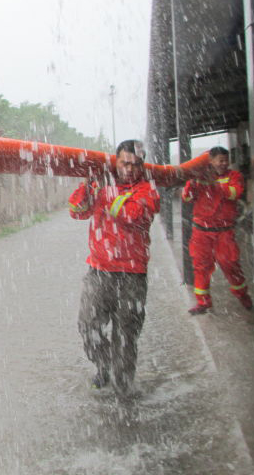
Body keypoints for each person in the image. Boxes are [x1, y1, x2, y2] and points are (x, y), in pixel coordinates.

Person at [68, 140, 160, 396]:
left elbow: (132, 216)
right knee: (88, 326)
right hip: (99, 271)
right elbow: (76, 211)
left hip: (132, 276)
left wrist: (106, 192)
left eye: (135, 164)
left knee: (126, 334)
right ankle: (104, 365)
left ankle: (123, 384)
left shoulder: (147, 190)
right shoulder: (100, 184)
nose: (129, 169)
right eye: (124, 163)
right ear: (115, 161)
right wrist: (88, 187)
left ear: (142, 165)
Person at [181, 146, 252, 315]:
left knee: (230, 264)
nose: (224, 163)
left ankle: (243, 296)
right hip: (201, 232)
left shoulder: (234, 176)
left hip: (224, 231)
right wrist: (193, 182)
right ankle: (203, 303)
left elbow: (235, 193)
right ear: (210, 161)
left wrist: (213, 185)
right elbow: (186, 197)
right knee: (200, 266)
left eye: (226, 160)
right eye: (220, 160)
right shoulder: (198, 177)